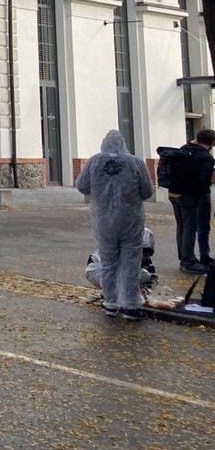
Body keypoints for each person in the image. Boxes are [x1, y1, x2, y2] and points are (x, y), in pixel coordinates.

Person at [76, 130, 154, 320]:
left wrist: (100, 190)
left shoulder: (94, 162)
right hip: (131, 219)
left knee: (108, 261)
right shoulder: (135, 162)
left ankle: (110, 303)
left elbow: (81, 186)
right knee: (131, 261)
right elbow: (147, 191)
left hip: (103, 219)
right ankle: (130, 305)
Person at [165, 129, 215, 274]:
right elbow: (203, 181)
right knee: (190, 227)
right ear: (212, 143)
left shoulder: (185, 150)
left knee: (182, 226)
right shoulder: (205, 157)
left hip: (174, 193)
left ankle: (184, 259)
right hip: (189, 196)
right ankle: (189, 261)